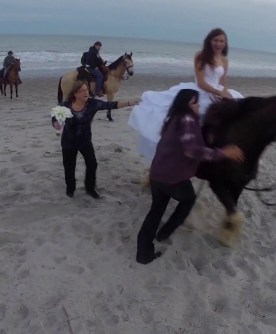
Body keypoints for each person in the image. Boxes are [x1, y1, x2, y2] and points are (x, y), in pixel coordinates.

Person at [136, 89, 244, 264]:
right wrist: (223, 153)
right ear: (185, 105)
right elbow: (191, 150)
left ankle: (143, 253)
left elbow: (191, 139)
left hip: (157, 173)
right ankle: (166, 232)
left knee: (155, 211)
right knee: (188, 199)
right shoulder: (187, 120)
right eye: (194, 103)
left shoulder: (176, 118)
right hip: (170, 178)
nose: (198, 105)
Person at [128, 28, 244, 161]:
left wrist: (225, 93)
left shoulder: (224, 60)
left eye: (222, 41)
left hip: (218, 91)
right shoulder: (200, 56)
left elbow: (223, 82)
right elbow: (201, 82)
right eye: (216, 40)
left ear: (225, 43)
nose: (218, 44)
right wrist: (217, 92)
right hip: (202, 90)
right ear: (209, 41)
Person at [52, 80, 140, 198]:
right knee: (69, 167)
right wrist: (55, 123)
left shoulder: (92, 104)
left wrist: (129, 102)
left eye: (86, 90)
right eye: (81, 91)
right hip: (68, 142)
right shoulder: (66, 105)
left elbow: (112, 105)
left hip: (85, 141)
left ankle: (90, 187)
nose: (85, 93)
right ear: (75, 94)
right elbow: (55, 115)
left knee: (92, 164)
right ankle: (70, 188)